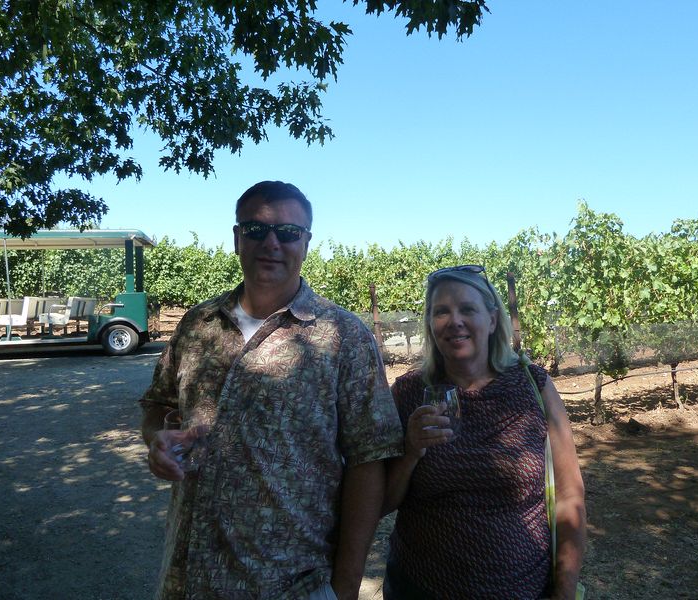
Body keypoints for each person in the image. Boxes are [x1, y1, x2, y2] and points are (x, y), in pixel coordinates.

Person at [140, 181, 403, 600]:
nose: (272, 243)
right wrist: (156, 439)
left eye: (289, 232)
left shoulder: (343, 337)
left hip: (291, 584)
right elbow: (158, 406)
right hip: (186, 579)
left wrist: (345, 585)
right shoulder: (197, 325)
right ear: (237, 238)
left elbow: (368, 462)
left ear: (307, 242)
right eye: (257, 230)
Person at [382, 265, 586, 600]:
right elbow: (381, 503)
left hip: (522, 589)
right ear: (431, 325)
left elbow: (570, 498)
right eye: (441, 312)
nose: (454, 321)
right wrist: (411, 451)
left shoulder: (533, 386)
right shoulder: (407, 393)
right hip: (419, 589)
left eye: (467, 309)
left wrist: (563, 592)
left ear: (492, 320)